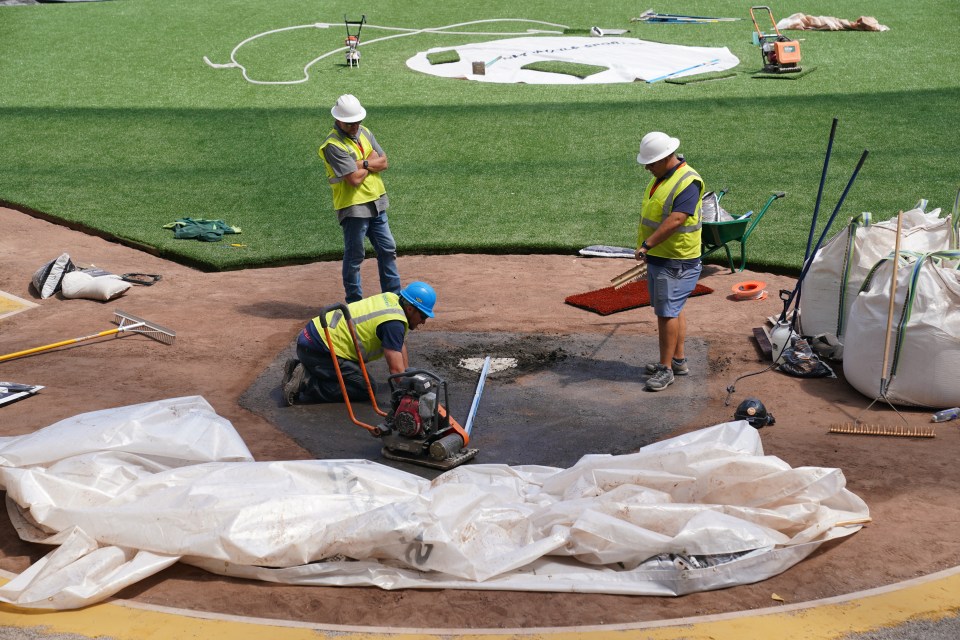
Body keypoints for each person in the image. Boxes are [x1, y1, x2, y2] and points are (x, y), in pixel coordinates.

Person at [282, 281, 437, 405]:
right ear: (410, 309)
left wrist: (408, 374)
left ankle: (301, 368)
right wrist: (408, 390)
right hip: (319, 350)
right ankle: (306, 381)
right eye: (423, 316)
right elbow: (396, 370)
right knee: (365, 389)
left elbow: (398, 345)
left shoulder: (392, 300)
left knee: (355, 375)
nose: (423, 321)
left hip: (311, 338)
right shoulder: (394, 324)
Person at [634, 131, 704, 392]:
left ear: (665, 158)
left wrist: (647, 245)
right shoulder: (665, 177)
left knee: (666, 314)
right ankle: (678, 361)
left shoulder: (688, 181)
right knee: (674, 309)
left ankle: (666, 370)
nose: (648, 168)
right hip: (663, 257)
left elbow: (676, 220)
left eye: (650, 163)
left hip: (676, 260)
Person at [319, 94, 401, 303]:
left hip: (377, 202)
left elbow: (383, 162)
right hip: (353, 207)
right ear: (339, 120)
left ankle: (393, 299)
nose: (355, 126)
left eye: (357, 121)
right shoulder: (333, 145)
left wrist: (360, 163)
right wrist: (368, 162)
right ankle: (354, 303)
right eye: (350, 123)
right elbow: (354, 179)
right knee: (355, 257)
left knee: (388, 249)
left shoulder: (365, 132)